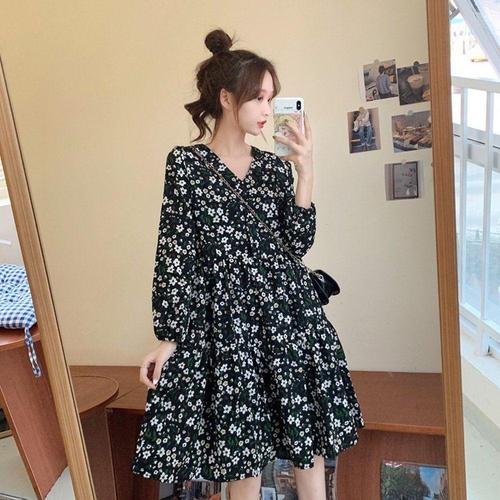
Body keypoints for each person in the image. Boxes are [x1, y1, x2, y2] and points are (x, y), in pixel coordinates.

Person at [131, 28, 364, 500]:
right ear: (225, 97)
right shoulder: (186, 166)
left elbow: (296, 245)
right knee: (243, 454)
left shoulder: (274, 168)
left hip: (289, 318)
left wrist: (305, 171)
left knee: (308, 447)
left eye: (271, 99)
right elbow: (175, 254)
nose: (266, 110)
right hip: (231, 328)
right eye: (258, 98)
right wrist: (169, 337)